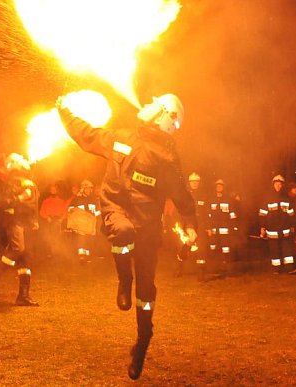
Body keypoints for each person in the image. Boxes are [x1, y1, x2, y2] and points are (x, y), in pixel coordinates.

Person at [58, 93, 197, 380]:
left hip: (147, 225)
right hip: (116, 210)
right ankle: (124, 281)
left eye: (154, 104)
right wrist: (64, 112)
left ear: (164, 118)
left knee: (146, 295)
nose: (146, 104)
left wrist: (191, 222)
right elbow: (88, 136)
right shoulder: (123, 136)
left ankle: (142, 343)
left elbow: (182, 195)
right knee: (122, 231)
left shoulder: (167, 159)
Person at [0, 155, 40, 307]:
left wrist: (34, 220)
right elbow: (5, 201)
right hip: (15, 221)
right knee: (17, 249)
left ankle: (23, 296)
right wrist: (20, 197)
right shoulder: (14, 180)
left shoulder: (29, 182)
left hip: (26, 222)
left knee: (26, 258)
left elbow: (33, 205)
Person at [258, 174, 296, 274]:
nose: (278, 186)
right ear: (273, 185)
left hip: (285, 230)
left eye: (280, 184)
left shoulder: (287, 198)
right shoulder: (267, 199)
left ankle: (290, 268)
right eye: (277, 184)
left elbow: (291, 214)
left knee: (288, 250)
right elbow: (262, 214)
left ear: (282, 185)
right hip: (272, 230)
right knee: (274, 250)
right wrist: (262, 227)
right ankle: (276, 269)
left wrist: (293, 226)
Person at [206, 179, 240, 280]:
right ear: (215, 187)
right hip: (214, 230)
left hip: (225, 230)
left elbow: (232, 215)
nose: (219, 187)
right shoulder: (211, 199)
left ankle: (227, 271)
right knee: (213, 249)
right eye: (217, 186)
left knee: (226, 250)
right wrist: (208, 228)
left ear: (223, 187)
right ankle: (214, 270)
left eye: (221, 186)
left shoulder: (228, 200)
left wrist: (233, 227)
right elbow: (208, 216)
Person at [66, 179, 102, 264]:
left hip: (90, 225)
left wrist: (94, 216)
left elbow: (98, 211)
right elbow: (70, 210)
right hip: (80, 225)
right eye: (88, 188)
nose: (90, 190)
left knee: (89, 241)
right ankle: (82, 257)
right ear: (83, 189)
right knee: (81, 240)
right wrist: (76, 212)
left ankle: (87, 256)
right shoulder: (76, 200)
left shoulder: (93, 199)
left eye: (91, 189)